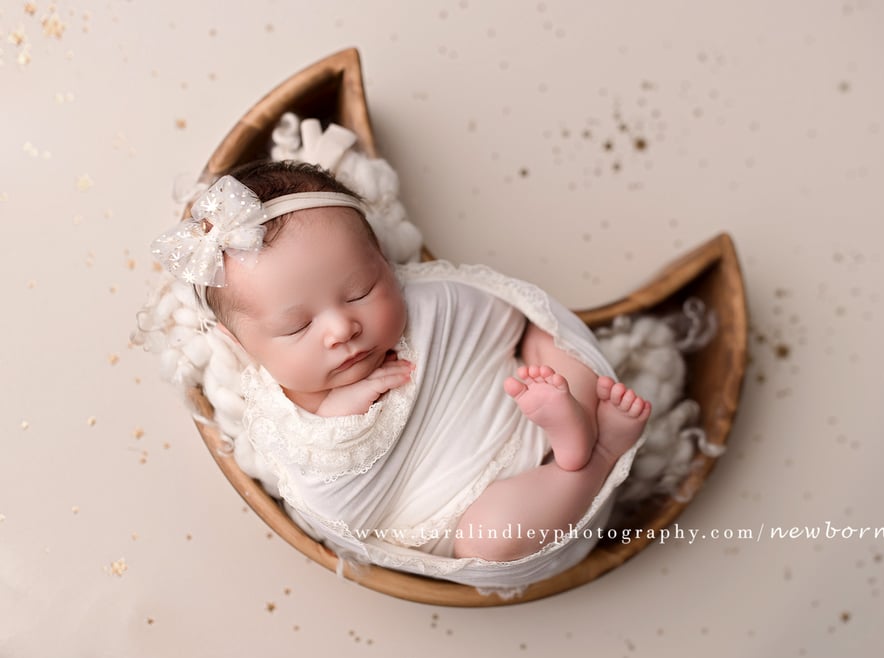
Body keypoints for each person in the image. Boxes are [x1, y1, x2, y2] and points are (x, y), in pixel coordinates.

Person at [152, 160, 649, 563]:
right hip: (468, 508)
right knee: (491, 539)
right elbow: (331, 505)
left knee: (547, 335)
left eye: (360, 291)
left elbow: (498, 315)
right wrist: (337, 415)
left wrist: (533, 344)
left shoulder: (428, 305)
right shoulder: (280, 418)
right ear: (241, 345)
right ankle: (597, 456)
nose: (341, 328)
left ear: (384, 263)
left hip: (521, 410)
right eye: (298, 327)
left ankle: (574, 427)